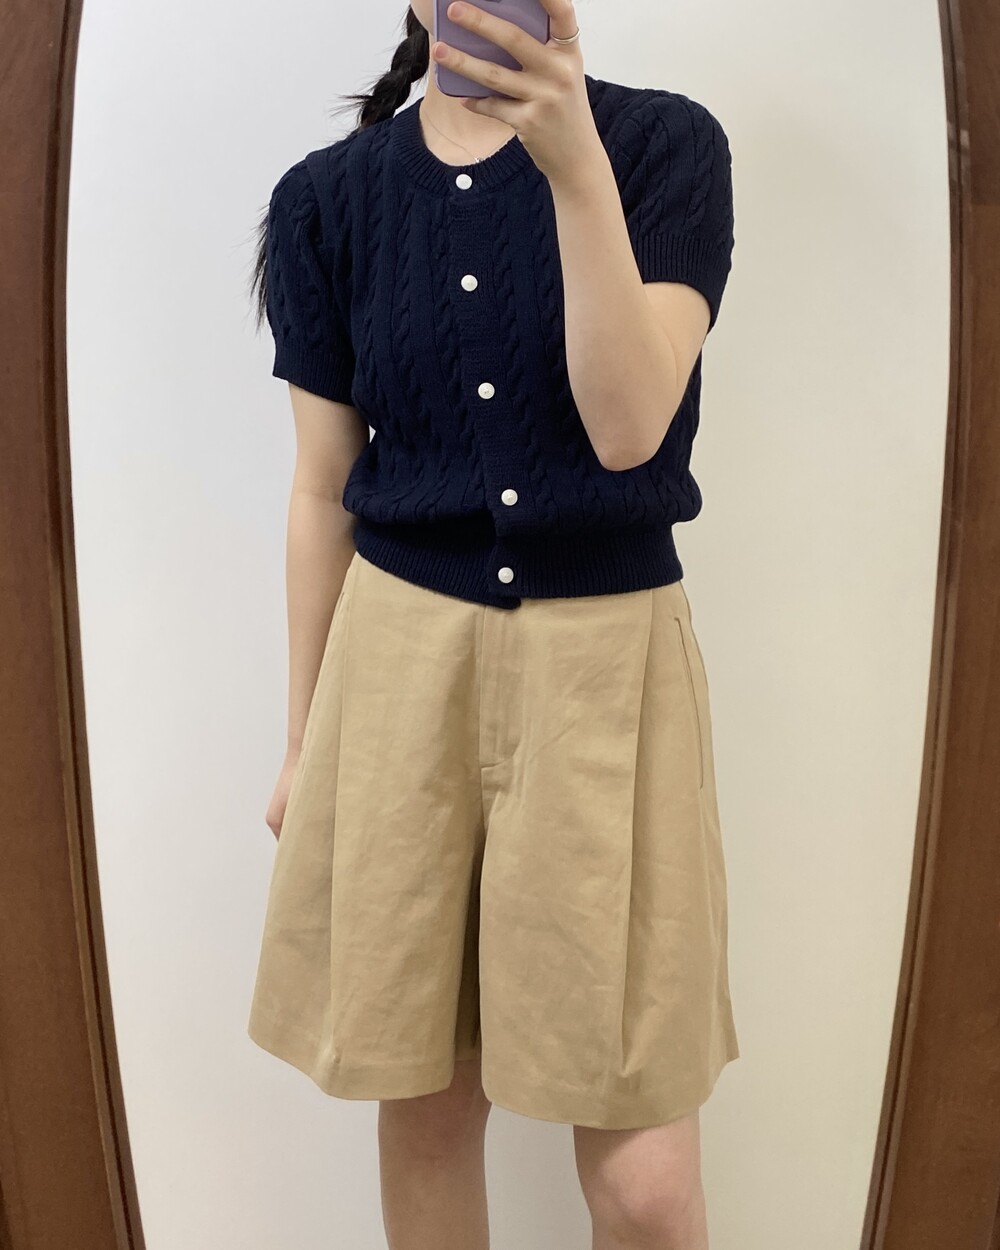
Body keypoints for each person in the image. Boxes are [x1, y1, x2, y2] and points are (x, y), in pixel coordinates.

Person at [246, 1, 739, 1246]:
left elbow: (627, 429)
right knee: (425, 1107)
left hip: (605, 672)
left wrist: (574, 166)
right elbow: (320, 489)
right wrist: (302, 739)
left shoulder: (664, 148)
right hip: (398, 667)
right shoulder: (325, 200)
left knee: (644, 1183)